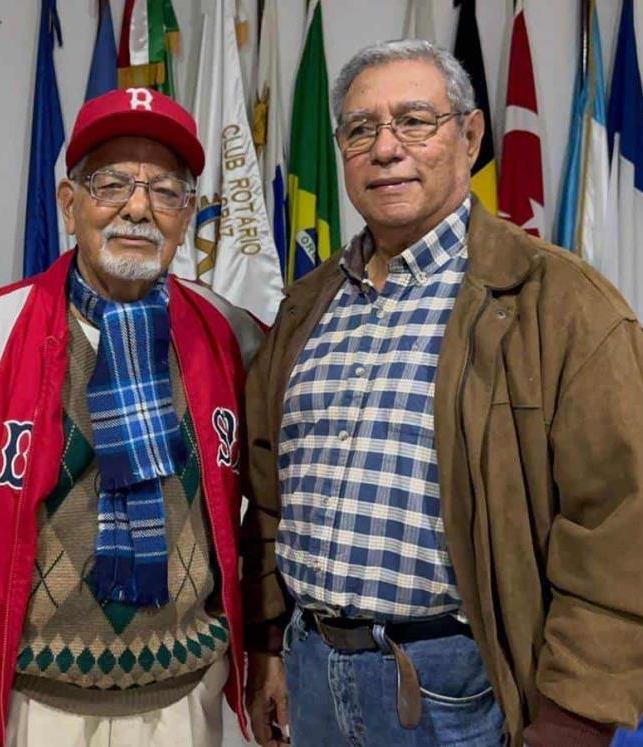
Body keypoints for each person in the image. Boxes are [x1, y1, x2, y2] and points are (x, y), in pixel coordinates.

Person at [241, 39, 643, 747]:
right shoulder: (306, 306)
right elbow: (270, 491)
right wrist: (270, 643)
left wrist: (574, 719)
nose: (386, 148)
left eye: (415, 120)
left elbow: (619, 523)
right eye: (361, 128)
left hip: (460, 688)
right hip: (309, 674)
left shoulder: (562, 305)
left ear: (470, 135)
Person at [0, 87, 262, 747]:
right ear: (69, 204)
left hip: (188, 707)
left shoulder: (233, 335)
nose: (138, 208)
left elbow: (265, 518)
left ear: (189, 213)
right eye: (110, 183)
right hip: (32, 710)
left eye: (165, 190)